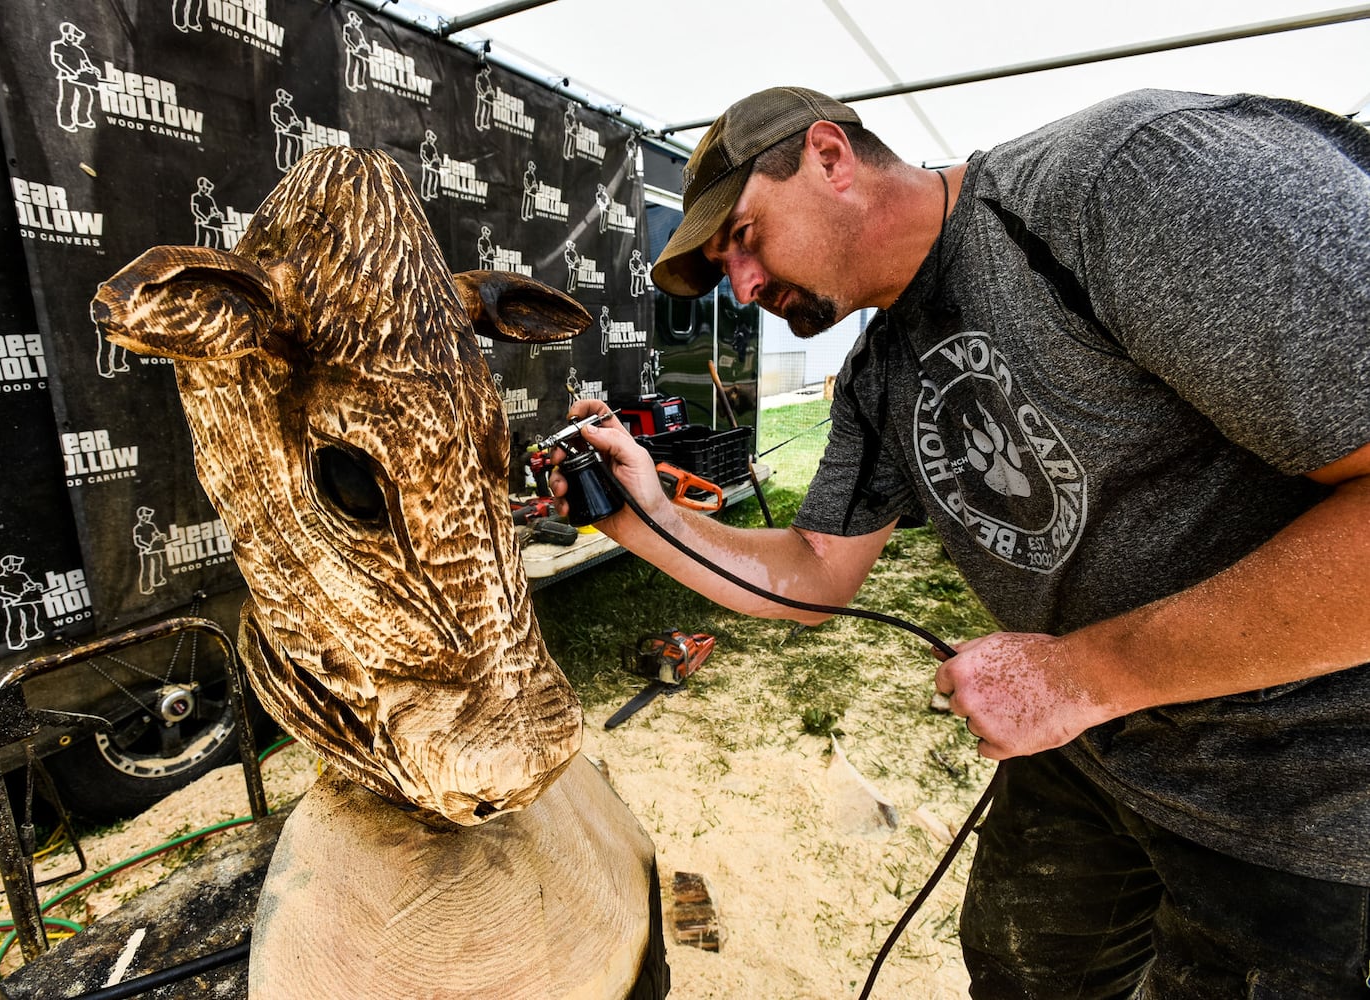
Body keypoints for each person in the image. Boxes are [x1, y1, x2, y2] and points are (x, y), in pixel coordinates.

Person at [553, 85, 1370, 997]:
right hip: (1095, 748)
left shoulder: (1117, 185)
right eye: (721, 268)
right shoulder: (882, 368)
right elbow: (817, 576)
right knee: (1022, 973)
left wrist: (1082, 675)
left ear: (831, 158)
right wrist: (640, 515)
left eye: (742, 236)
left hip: (1313, 793)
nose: (742, 288)